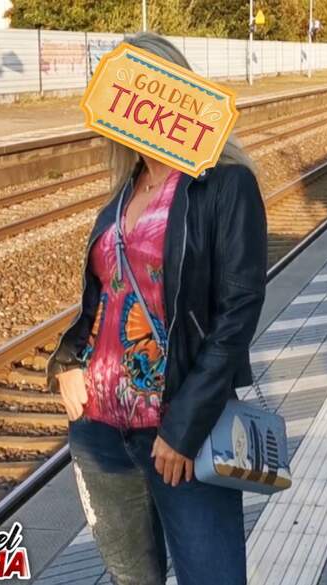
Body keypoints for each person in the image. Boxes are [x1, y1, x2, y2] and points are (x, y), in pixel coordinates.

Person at [46, 32, 267, 585]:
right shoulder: (125, 191)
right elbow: (104, 298)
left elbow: (238, 313)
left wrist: (184, 427)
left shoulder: (225, 185)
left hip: (177, 435)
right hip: (99, 432)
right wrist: (67, 362)